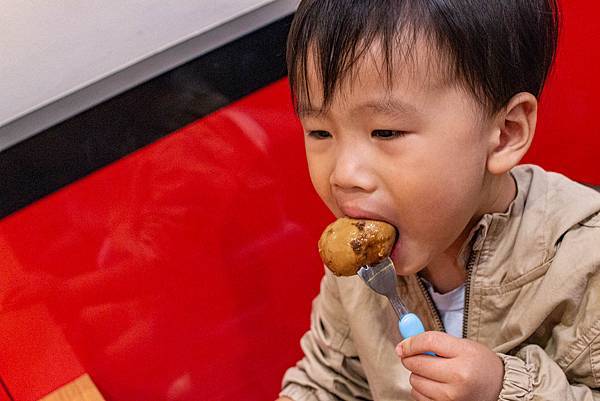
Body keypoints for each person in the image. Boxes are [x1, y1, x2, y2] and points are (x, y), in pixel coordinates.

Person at [276, 1, 600, 400]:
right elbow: (329, 381)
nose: (343, 175)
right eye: (320, 133)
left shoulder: (585, 263)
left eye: (386, 132)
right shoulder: (362, 275)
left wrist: (501, 390)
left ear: (506, 133)